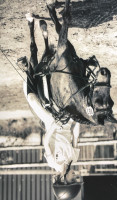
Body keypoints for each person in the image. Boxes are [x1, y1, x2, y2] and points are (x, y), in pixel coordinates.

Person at [18, 13, 83, 200]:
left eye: (73, 179)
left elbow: (46, 143)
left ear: (63, 180)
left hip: (52, 122)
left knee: (32, 98)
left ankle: (28, 71)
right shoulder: (74, 159)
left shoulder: (54, 164)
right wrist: (78, 120)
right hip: (67, 122)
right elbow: (76, 137)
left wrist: (52, 128)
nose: (75, 176)